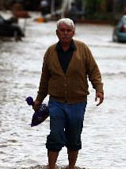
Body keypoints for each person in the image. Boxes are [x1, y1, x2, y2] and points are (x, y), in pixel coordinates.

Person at [33, 18, 104, 169]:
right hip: (56, 102)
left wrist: (99, 89)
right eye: (62, 30)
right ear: (57, 33)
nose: (65, 33)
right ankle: (51, 167)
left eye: (68, 30)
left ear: (73, 32)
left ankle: (71, 167)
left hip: (78, 102)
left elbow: (93, 71)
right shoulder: (50, 52)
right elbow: (44, 78)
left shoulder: (83, 49)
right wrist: (39, 99)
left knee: (74, 136)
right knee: (55, 135)